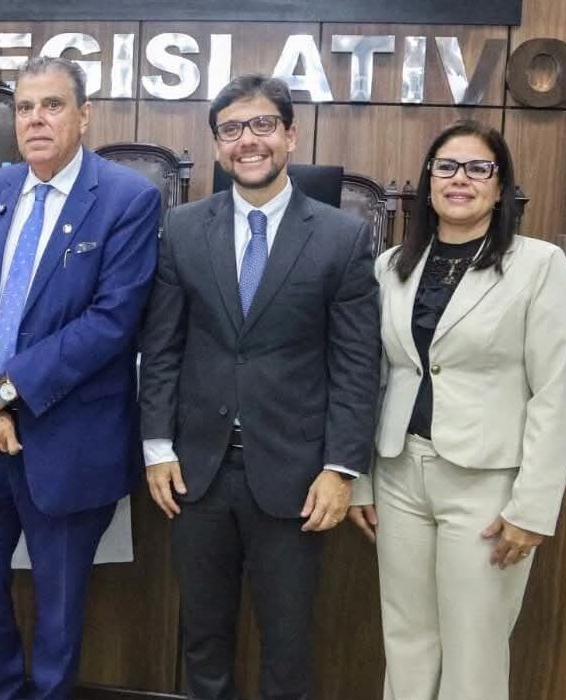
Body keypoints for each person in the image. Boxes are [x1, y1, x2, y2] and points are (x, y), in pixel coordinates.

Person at [138, 74, 381, 700]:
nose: (248, 141)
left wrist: (341, 467)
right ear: (218, 145)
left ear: (290, 135)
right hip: (199, 472)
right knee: (203, 636)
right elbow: (162, 346)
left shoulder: (340, 235)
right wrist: (158, 447)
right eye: (232, 130)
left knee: (289, 643)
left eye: (262, 125)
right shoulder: (184, 228)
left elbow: (357, 364)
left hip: (297, 476)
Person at [0, 56, 161, 700]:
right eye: (25, 108)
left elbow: (113, 322)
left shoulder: (127, 198)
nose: (36, 119)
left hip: (66, 442)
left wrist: (4, 391)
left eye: (52, 105)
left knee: (60, 611)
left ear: (84, 116)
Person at [347, 120, 566, 700]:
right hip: (399, 474)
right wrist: (362, 482)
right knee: (407, 637)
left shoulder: (539, 266)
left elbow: (557, 392)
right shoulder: (393, 265)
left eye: (479, 168)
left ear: (501, 187)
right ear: (428, 182)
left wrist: (534, 508)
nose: (460, 180)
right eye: (446, 167)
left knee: (475, 645)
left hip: (487, 486)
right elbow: (372, 380)